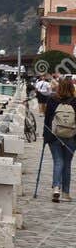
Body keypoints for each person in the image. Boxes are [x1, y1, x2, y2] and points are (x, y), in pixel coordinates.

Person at [43, 75, 76, 203]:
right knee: (67, 164)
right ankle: (66, 193)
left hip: (54, 135)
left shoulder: (52, 100)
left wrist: (46, 136)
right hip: (71, 136)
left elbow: (47, 120)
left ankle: (56, 187)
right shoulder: (75, 101)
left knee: (58, 161)